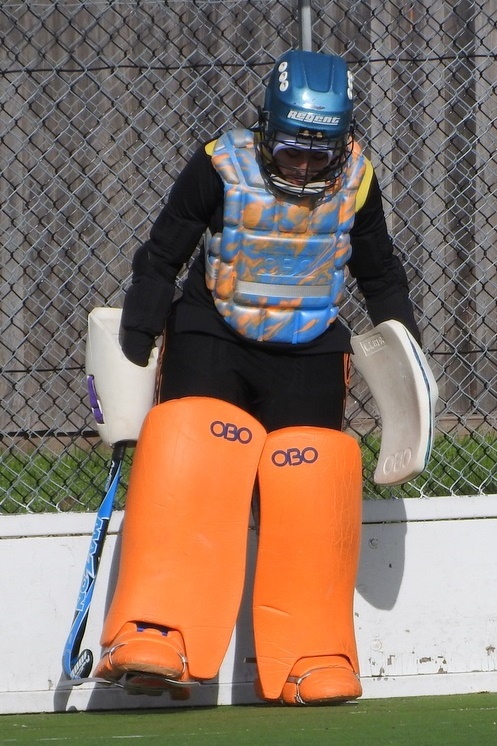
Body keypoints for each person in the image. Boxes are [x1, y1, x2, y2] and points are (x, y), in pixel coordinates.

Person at [94, 49, 420, 705]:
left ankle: (309, 653)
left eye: (318, 151)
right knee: (193, 456)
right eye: (292, 146)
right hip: (214, 329)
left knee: (312, 474)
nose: (303, 162)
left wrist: (401, 343)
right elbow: (165, 249)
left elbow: (378, 270)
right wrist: (141, 334)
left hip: (307, 342)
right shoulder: (220, 162)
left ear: (342, 140)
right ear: (266, 130)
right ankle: (161, 634)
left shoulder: (356, 177)